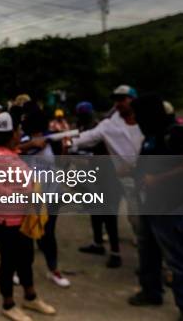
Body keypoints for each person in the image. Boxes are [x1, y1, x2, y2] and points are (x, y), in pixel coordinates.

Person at [128, 94, 183, 321]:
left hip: (171, 205)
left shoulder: (176, 132)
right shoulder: (151, 135)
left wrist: (158, 178)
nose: (135, 118)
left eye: (137, 113)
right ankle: (151, 292)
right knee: (147, 252)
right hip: (150, 204)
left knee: (177, 259)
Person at [0, 112, 57, 321]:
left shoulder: (11, 153)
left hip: (22, 219)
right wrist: (23, 196)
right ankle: (8, 305)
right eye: (17, 131)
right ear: (11, 134)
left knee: (26, 259)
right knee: (8, 262)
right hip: (6, 221)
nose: (20, 134)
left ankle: (30, 297)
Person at [71, 85, 143, 262]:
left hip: (144, 176)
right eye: (116, 100)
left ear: (133, 100)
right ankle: (112, 250)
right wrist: (62, 142)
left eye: (122, 99)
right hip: (115, 175)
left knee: (140, 218)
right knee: (107, 211)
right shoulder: (108, 125)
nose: (118, 103)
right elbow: (83, 140)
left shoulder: (146, 120)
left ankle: (150, 257)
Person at [19, 104, 70, 288]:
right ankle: (21, 269)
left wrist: (64, 151)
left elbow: (61, 165)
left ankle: (53, 269)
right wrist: (31, 144)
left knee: (48, 234)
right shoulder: (22, 140)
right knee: (26, 234)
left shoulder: (52, 140)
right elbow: (13, 152)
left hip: (52, 193)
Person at [73, 100, 124, 268]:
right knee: (95, 210)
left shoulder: (101, 129)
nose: (81, 119)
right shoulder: (83, 128)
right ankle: (98, 243)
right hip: (93, 173)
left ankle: (115, 252)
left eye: (83, 116)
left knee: (109, 213)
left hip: (107, 173)